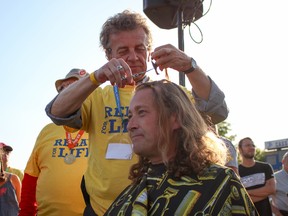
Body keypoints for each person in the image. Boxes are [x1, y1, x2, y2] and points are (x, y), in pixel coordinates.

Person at [45, 10, 229, 215]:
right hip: (102, 209)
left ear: (149, 50)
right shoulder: (97, 96)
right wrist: (96, 77)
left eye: (140, 49)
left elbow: (217, 110)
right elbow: (56, 112)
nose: (133, 57)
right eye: (123, 51)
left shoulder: (168, 94)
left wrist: (190, 67)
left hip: (160, 206)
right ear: (108, 55)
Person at [105, 79, 257, 215]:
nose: (130, 125)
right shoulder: (133, 190)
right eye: (130, 116)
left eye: (142, 112)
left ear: (175, 118)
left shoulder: (221, 184)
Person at [19, 69, 89, 216]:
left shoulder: (100, 124)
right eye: (62, 89)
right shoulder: (47, 131)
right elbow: (31, 178)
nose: (66, 92)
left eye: (74, 86)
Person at [238, 137, 276, 216]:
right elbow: (239, 197)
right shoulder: (236, 171)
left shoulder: (266, 167)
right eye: (247, 145)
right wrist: (264, 194)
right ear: (240, 149)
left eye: (253, 145)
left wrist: (247, 193)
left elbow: (272, 189)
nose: (251, 148)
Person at [0, 147, 21, 215]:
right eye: (3, 151)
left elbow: (21, 203)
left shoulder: (15, 177)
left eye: (7, 152)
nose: (5, 154)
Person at [271, 151, 288, 216]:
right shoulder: (274, 177)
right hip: (282, 213)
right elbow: (267, 199)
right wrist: (277, 213)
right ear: (283, 161)